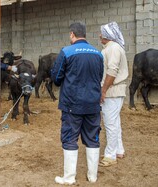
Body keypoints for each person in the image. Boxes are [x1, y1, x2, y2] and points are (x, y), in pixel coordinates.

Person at [51, 22, 104, 185]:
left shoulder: (67, 52)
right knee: (93, 138)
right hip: (93, 104)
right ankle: (92, 176)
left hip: (72, 104)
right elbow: (99, 76)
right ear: (85, 35)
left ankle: (69, 178)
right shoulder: (98, 53)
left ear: (72, 34)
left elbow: (56, 77)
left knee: (69, 138)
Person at [99, 22, 128, 166]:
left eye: (102, 33)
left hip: (112, 91)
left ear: (107, 35)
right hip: (114, 90)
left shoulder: (113, 48)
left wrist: (103, 90)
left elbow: (112, 71)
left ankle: (110, 156)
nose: (100, 35)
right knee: (115, 121)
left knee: (110, 123)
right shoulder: (112, 48)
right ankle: (118, 150)